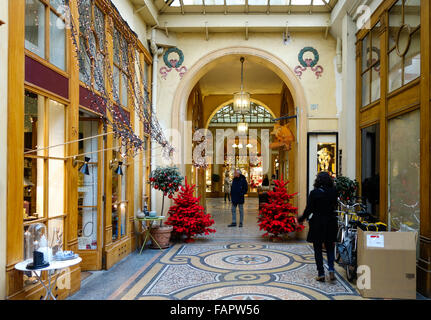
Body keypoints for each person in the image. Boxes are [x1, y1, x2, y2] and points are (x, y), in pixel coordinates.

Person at [298, 171, 338, 282]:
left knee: (318, 248)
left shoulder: (314, 193)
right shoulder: (334, 192)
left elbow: (309, 209)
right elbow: (334, 205)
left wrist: (301, 219)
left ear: (318, 180)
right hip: (331, 222)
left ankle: (321, 273)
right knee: (330, 246)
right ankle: (331, 269)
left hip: (317, 223)